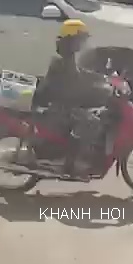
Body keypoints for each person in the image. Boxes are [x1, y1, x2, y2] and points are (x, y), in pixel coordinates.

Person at [32, 18, 112, 173]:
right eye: (80, 39)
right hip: (60, 108)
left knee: (93, 114)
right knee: (92, 122)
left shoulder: (66, 55)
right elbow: (76, 84)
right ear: (71, 39)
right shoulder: (65, 58)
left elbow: (78, 74)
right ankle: (69, 163)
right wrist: (99, 89)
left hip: (61, 103)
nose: (81, 43)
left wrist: (101, 77)